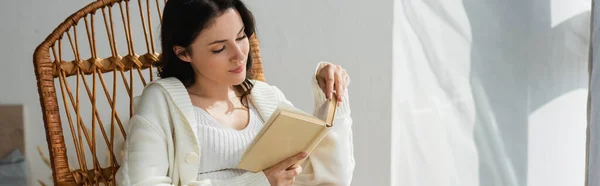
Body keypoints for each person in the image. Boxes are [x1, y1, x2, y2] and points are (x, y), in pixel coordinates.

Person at [115, 0, 354, 185]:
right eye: (219, 48)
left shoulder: (265, 97)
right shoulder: (161, 102)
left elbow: (330, 179)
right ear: (183, 53)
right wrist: (258, 182)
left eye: (241, 37)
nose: (239, 54)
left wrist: (331, 99)